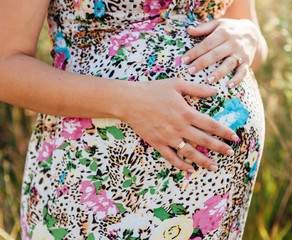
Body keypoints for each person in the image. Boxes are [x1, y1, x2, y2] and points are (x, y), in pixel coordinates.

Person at [0, 0, 267, 239]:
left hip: (216, 193)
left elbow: (252, 41)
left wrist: (250, 36)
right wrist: (130, 102)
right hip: (99, 179)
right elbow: (6, 66)